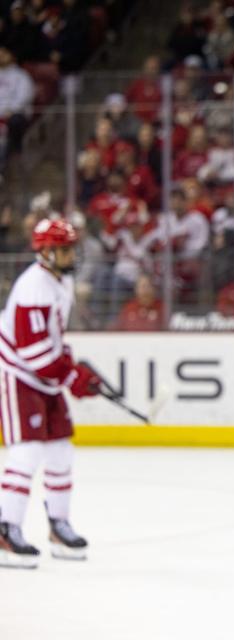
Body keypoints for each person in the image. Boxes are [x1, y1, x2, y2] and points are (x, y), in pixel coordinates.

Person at [0, 219, 102, 568]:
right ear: (45, 252)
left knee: (61, 451)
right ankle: (6, 530)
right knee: (26, 452)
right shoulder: (33, 286)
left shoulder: (63, 279)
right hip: (18, 375)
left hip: (44, 378)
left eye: (72, 247)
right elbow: (33, 351)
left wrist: (72, 366)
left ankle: (59, 525)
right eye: (64, 248)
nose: (71, 254)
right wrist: (72, 375)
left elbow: (53, 337)